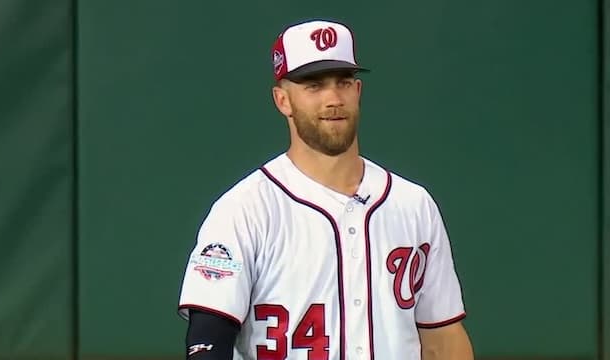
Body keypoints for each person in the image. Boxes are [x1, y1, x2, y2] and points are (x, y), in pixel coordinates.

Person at [177, 18, 474, 360]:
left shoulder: (413, 205)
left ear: (358, 91)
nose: (333, 98)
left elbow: (443, 341)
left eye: (343, 82)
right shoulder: (245, 210)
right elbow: (207, 343)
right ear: (283, 100)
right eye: (313, 85)